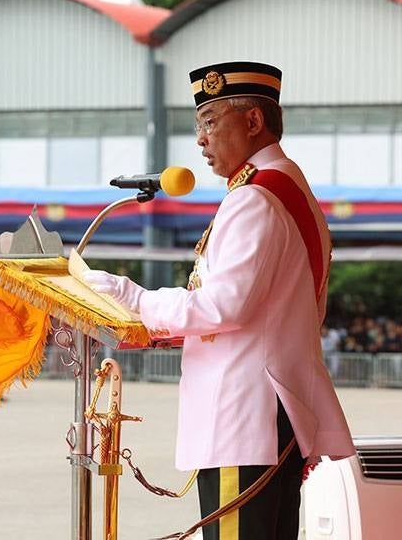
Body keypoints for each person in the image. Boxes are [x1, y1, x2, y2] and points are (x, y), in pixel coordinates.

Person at [83, 61, 354, 540]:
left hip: (244, 414)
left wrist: (133, 298)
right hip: (273, 409)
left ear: (253, 121)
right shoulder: (289, 185)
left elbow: (223, 306)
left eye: (210, 121)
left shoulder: (254, 197)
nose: (201, 140)